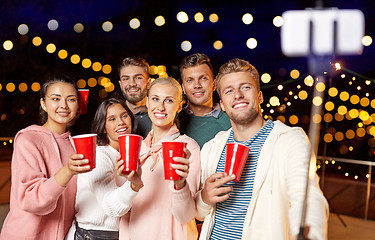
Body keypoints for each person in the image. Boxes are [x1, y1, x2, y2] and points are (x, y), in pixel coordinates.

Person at [195, 59, 329, 240]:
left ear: (259, 96)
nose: (237, 95)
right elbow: (201, 214)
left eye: (245, 87)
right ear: (223, 105)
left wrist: (308, 233)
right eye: (229, 91)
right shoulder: (212, 147)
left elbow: (307, 196)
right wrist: (204, 197)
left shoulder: (290, 140)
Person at [0, 76, 91, 239]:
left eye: (71, 99)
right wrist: (67, 171)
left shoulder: (77, 145)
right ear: (43, 103)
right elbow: (30, 199)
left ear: (78, 105)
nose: (63, 105)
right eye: (56, 98)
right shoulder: (27, 140)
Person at [117, 77, 201, 240]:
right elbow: (126, 213)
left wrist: (180, 184)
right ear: (147, 102)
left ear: (179, 106)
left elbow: (185, 216)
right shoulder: (137, 148)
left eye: (169, 100)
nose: (160, 107)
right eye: (155, 99)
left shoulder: (188, 148)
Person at [66, 98, 143, 239]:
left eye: (124, 115)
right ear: (103, 128)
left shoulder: (131, 154)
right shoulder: (100, 155)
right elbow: (112, 207)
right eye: (112, 119)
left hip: (119, 233)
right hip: (91, 234)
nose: (121, 122)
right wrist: (134, 185)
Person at [178, 53, 231, 148]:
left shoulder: (231, 120)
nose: (197, 85)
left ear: (214, 84)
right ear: (183, 88)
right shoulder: (175, 121)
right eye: (190, 80)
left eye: (203, 78)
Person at [118, 56, 152, 138]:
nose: (132, 83)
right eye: (125, 79)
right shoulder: (114, 119)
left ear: (148, 83)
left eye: (138, 78)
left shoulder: (159, 116)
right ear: (120, 84)